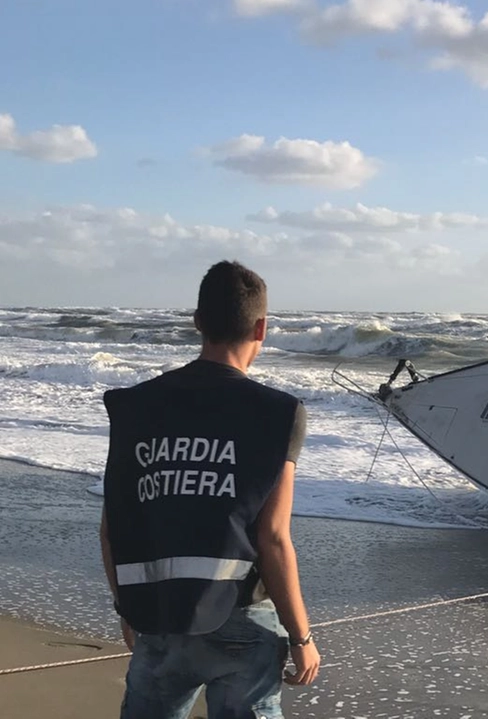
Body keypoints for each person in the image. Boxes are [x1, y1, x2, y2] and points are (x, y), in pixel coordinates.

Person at [98, 260, 321, 718]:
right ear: (261, 328)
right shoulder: (278, 413)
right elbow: (274, 539)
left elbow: (113, 525)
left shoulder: (133, 406)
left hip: (157, 613)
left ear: (198, 322)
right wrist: (302, 637)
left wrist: (126, 607)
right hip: (240, 618)